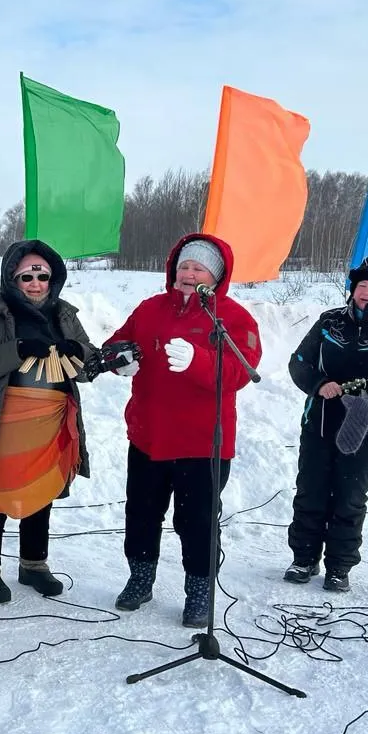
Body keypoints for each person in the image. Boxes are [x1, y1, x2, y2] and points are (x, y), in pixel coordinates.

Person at [103, 233, 262, 627]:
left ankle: (200, 592)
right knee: (141, 514)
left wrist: (200, 360)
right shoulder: (150, 309)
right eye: (184, 266)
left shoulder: (234, 318)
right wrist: (119, 358)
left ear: (217, 275)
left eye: (199, 268)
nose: (189, 273)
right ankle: (140, 579)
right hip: (149, 437)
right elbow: (117, 342)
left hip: (202, 443)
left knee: (197, 522)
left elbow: (242, 372)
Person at [0, 241, 98, 603]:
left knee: (42, 491)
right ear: (12, 278)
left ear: (53, 278)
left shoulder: (64, 314)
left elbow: (90, 365)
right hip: (3, 420)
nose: (35, 283)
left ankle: (34, 565)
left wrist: (78, 352)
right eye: (27, 276)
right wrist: (16, 349)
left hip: (50, 421)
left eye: (42, 276)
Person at [285, 256, 368, 591]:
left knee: (349, 497)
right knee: (310, 492)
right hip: (320, 423)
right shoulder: (328, 322)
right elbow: (299, 363)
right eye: (362, 286)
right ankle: (303, 558)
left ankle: (339, 567)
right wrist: (318, 384)